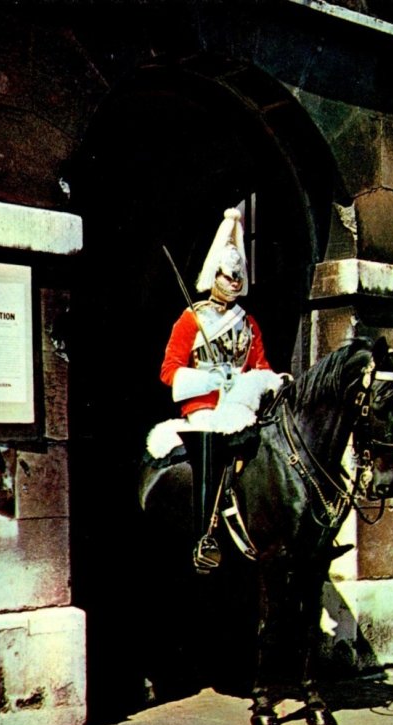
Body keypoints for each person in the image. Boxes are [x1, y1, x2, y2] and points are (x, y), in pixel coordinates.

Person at [152, 207, 284, 573]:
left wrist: (273, 380)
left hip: (240, 403)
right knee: (212, 443)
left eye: (239, 276)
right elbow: (169, 371)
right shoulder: (191, 319)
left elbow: (260, 366)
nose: (236, 283)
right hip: (205, 407)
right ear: (215, 277)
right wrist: (210, 379)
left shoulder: (250, 323)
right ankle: (205, 536)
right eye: (229, 276)